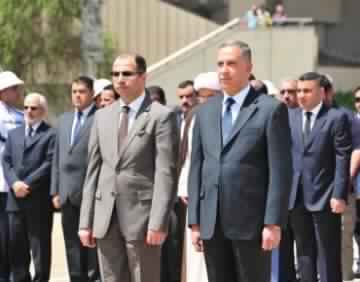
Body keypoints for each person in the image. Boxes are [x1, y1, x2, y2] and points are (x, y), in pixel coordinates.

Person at [188, 40, 292, 282]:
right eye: (220, 64)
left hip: (252, 224)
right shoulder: (205, 112)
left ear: (248, 67)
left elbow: (280, 171)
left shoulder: (270, 109)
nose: (224, 70)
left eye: (231, 64)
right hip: (212, 224)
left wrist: (273, 223)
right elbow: (197, 168)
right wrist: (195, 221)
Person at [78, 54, 179, 282]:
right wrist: (86, 222)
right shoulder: (102, 116)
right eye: (115, 74)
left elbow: (166, 174)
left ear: (143, 77)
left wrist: (158, 222)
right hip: (105, 218)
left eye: (127, 73)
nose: (120, 79)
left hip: (142, 220)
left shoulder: (160, 116)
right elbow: (92, 172)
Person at [288, 72, 351, 282]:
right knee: (304, 254)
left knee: (327, 255)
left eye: (307, 91)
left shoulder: (336, 117)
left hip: (325, 197)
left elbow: (342, 157)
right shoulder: (291, 117)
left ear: (321, 92)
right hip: (296, 197)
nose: (301, 95)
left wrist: (339, 194)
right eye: (299, 91)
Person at [50, 76, 100, 282]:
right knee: (71, 246)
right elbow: (57, 157)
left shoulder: (100, 118)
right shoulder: (63, 120)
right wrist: (55, 190)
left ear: (91, 94)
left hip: (91, 195)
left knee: (91, 247)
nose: (77, 95)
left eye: (82, 91)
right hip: (67, 195)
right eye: (74, 91)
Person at [2, 93, 55, 282]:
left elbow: (49, 164)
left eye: (34, 108)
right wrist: (14, 183)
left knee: (40, 250)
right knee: (17, 250)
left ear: (43, 111)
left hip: (38, 202)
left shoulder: (51, 134)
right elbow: (6, 160)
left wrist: (27, 184)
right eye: (26, 107)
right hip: (15, 201)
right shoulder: (14, 134)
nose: (29, 111)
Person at [178, 71, 221, 282]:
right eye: (201, 96)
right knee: (196, 256)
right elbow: (189, 158)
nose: (204, 101)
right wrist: (185, 187)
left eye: (209, 96)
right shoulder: (196, 116)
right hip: (198, 195)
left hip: (217, 194)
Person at [0, 71, 25, 282]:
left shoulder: (20, 117)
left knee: (12, 238)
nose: (18, 92)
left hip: (13, 185)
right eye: (14, 88)